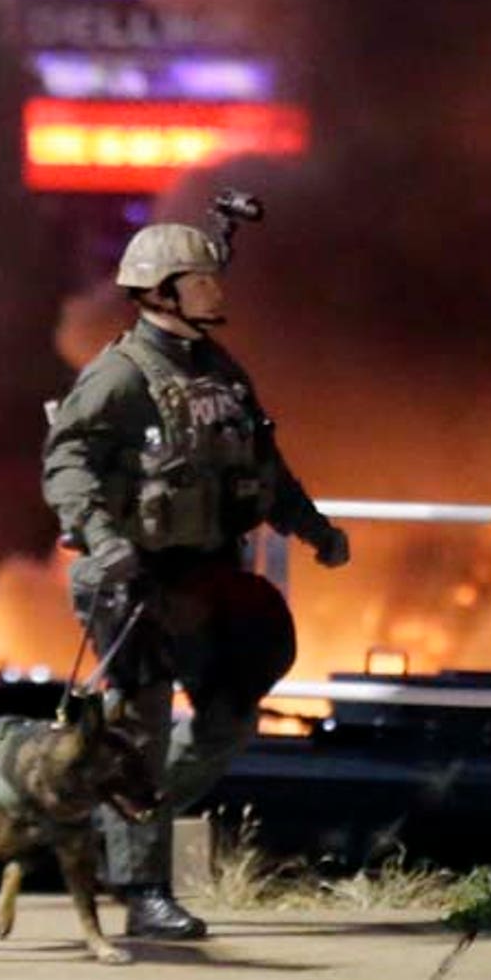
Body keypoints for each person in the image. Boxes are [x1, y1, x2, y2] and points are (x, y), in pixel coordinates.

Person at [41, 221, 351, 939]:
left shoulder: (220, 370)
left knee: (229, 720)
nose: (217, 290)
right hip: (137, 579)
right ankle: (143, 888)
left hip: (208, 577)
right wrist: (102, 538)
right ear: (161, 292)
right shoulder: (120, 376)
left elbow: (263, 466)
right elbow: (67, 460)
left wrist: (313, 529)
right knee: (141, 729)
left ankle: (122, 819)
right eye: (202, 279)